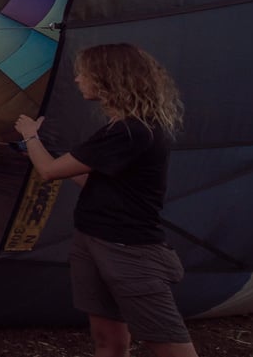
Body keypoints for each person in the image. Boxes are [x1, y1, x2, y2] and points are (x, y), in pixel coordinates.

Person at [15, 43, 198, 357]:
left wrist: (30, 136)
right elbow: (93, 181)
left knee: (170, 346)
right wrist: (52, 154)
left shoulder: (132, 131)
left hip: (129, 250)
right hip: (92, 240)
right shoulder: (122, 127)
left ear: (107, 78)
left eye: (83, 74)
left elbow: (47, 172)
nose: (77, 80)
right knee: (108, 341)